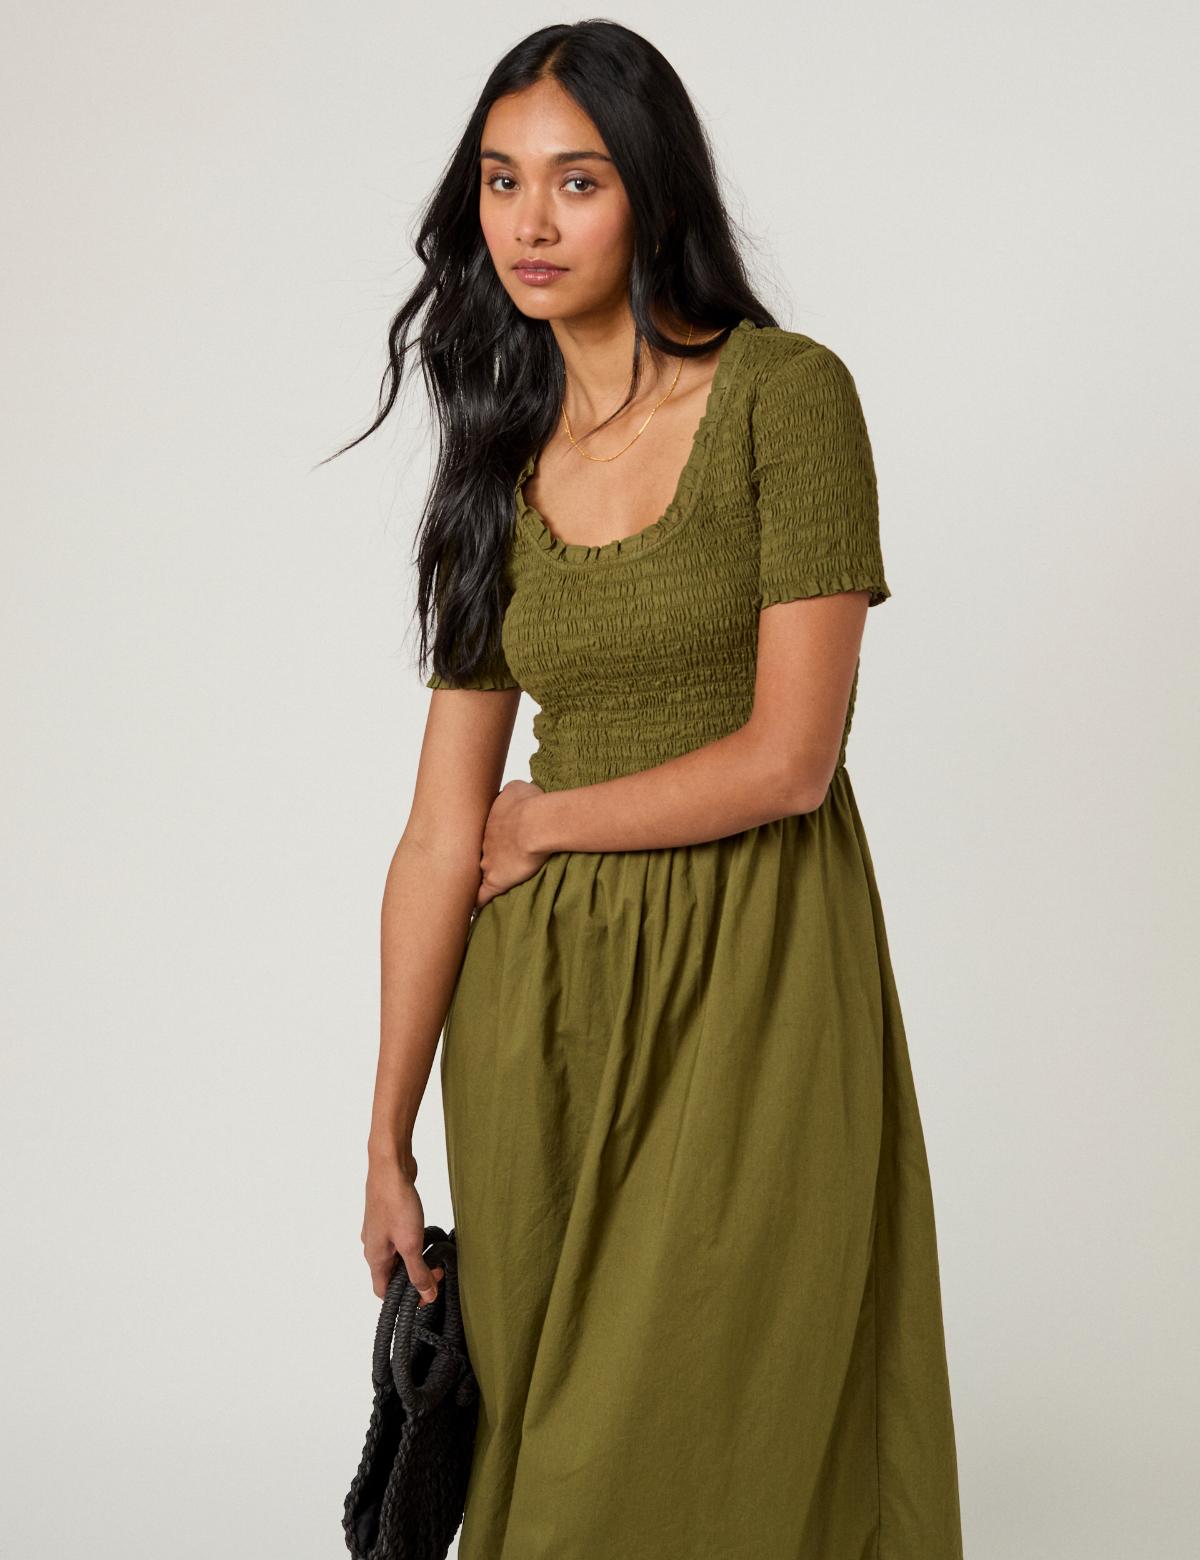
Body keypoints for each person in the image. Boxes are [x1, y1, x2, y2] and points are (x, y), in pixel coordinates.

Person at [334, 19, 965, 1560]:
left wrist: (551, 819)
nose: (530, 221)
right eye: (501, 181)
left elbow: (791, 757)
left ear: (654, 195)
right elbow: (437, 832)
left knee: (710, 1413)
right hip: (539, 1007)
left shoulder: (785, 398)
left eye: (577, 180)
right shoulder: (494, 460)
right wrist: (385, 1138)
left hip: (758, 970)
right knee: (549, 1436)